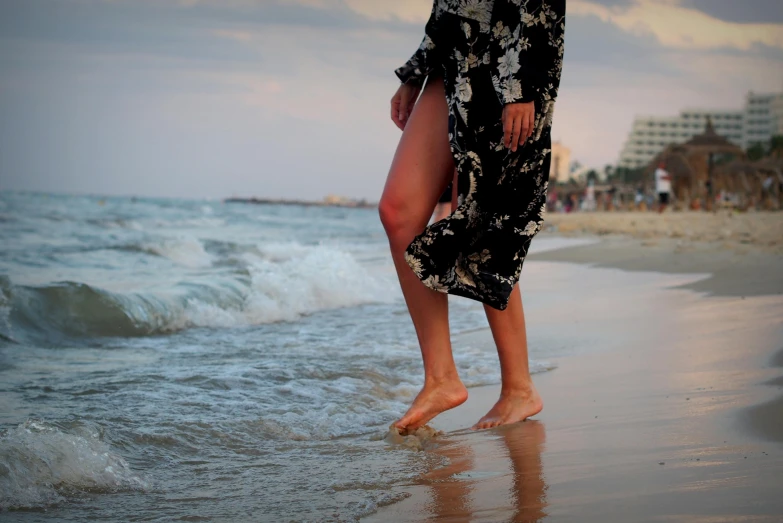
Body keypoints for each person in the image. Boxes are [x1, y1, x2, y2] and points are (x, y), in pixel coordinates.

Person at [379, 0, 566, 431]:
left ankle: (519, 388)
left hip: (508, 57)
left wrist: (524, 84)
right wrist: (416, 71)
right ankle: (441, 378)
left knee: (488, 222)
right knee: (397, 212)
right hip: (452, 55)